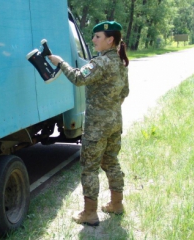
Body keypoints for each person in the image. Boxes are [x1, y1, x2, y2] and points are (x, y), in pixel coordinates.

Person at [48, 21, 129, 226]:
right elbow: (125, 92)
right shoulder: (120, 62)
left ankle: (89, 213)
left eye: (97, 37)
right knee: (111, 162)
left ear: (110, 40)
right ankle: (116, 204)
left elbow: (77, 78)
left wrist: (60, 62)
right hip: (114, 123)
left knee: (89, 167)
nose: (93, 40)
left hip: (97, 127)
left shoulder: (99, 63)